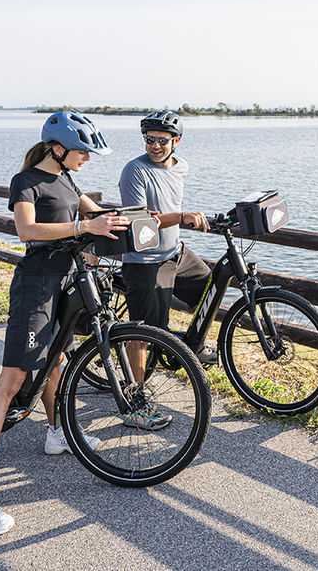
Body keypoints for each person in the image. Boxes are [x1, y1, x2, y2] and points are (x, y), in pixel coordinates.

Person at [0, 110, 127, 539]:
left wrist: (143, 219)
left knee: (58, 358)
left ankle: (56, 431)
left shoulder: (68, 179)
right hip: (36, 286)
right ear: (58, 147)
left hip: (64, 279)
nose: (88, 158)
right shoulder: (25, 181)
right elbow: (26, 230)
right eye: (83, 150)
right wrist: (85, 225)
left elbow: (100, 213)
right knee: (11, 382)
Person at [116, 110, 214, 410]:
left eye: (162, 140)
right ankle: (136, 396)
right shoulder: (135, 171)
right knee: (144, 334)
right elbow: (141, 222)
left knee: (210, 288)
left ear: (176, 141)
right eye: (149, 140)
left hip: (176, 253)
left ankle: (188, 345)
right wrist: (183, 217)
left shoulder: (180, 167)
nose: (155, 146)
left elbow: (165, 211)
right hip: (145, 261)